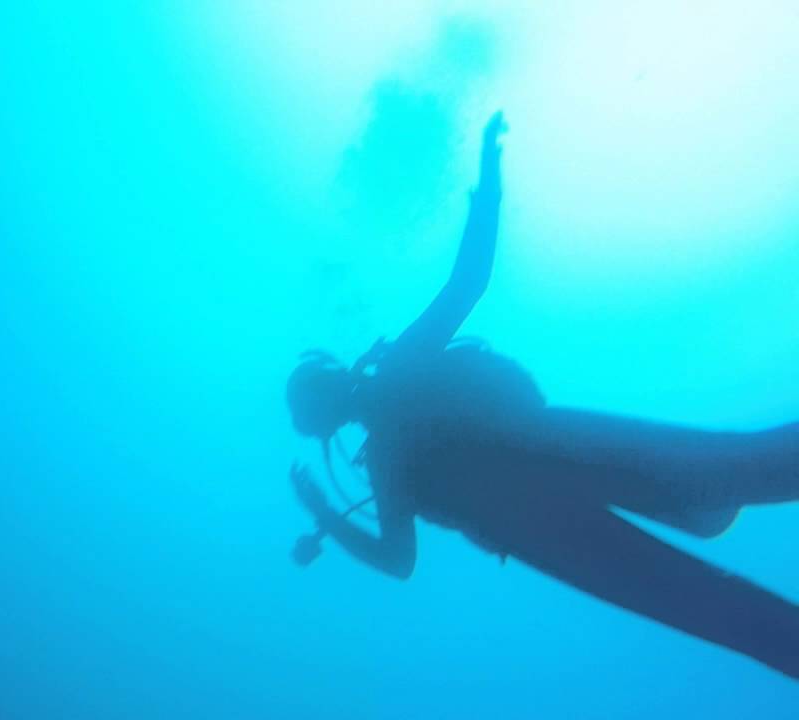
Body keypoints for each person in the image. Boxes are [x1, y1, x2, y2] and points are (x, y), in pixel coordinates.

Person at [286, 111, 799, 679]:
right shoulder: (393, 422)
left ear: (327, 425)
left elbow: (397, 558)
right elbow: (470, 280)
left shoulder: (387, 451)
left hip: (533, 501)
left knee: (724, 577)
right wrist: (489, 174)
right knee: (737, 491)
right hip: (548, 458)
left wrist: (324, 514)